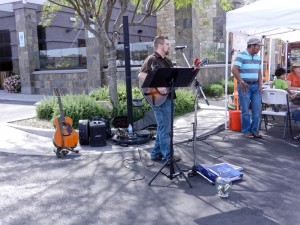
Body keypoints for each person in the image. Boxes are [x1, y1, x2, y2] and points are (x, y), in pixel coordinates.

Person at [138, 35, 181, 163]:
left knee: (163, 126)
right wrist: (158, 86)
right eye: (167, 44)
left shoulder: (167, 61)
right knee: (165, 127)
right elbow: (141, 75)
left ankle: (156, 153)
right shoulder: (151, 59)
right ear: (160, 45)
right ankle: (168, 156)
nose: (169, 46)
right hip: (157, 97)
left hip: (167, 96)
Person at [231, 38, 263, 139]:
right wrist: (241, 82)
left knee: (257, 110)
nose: (259, 48)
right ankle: (246, 131)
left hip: (255, 86)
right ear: (252, 46)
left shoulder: (258, 58)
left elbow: (259, 72)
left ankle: (254, 131)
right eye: (258, 46)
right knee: (245, 110)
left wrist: (260, 85)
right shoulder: (241, 55)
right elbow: (234, 69)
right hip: (245, 86)